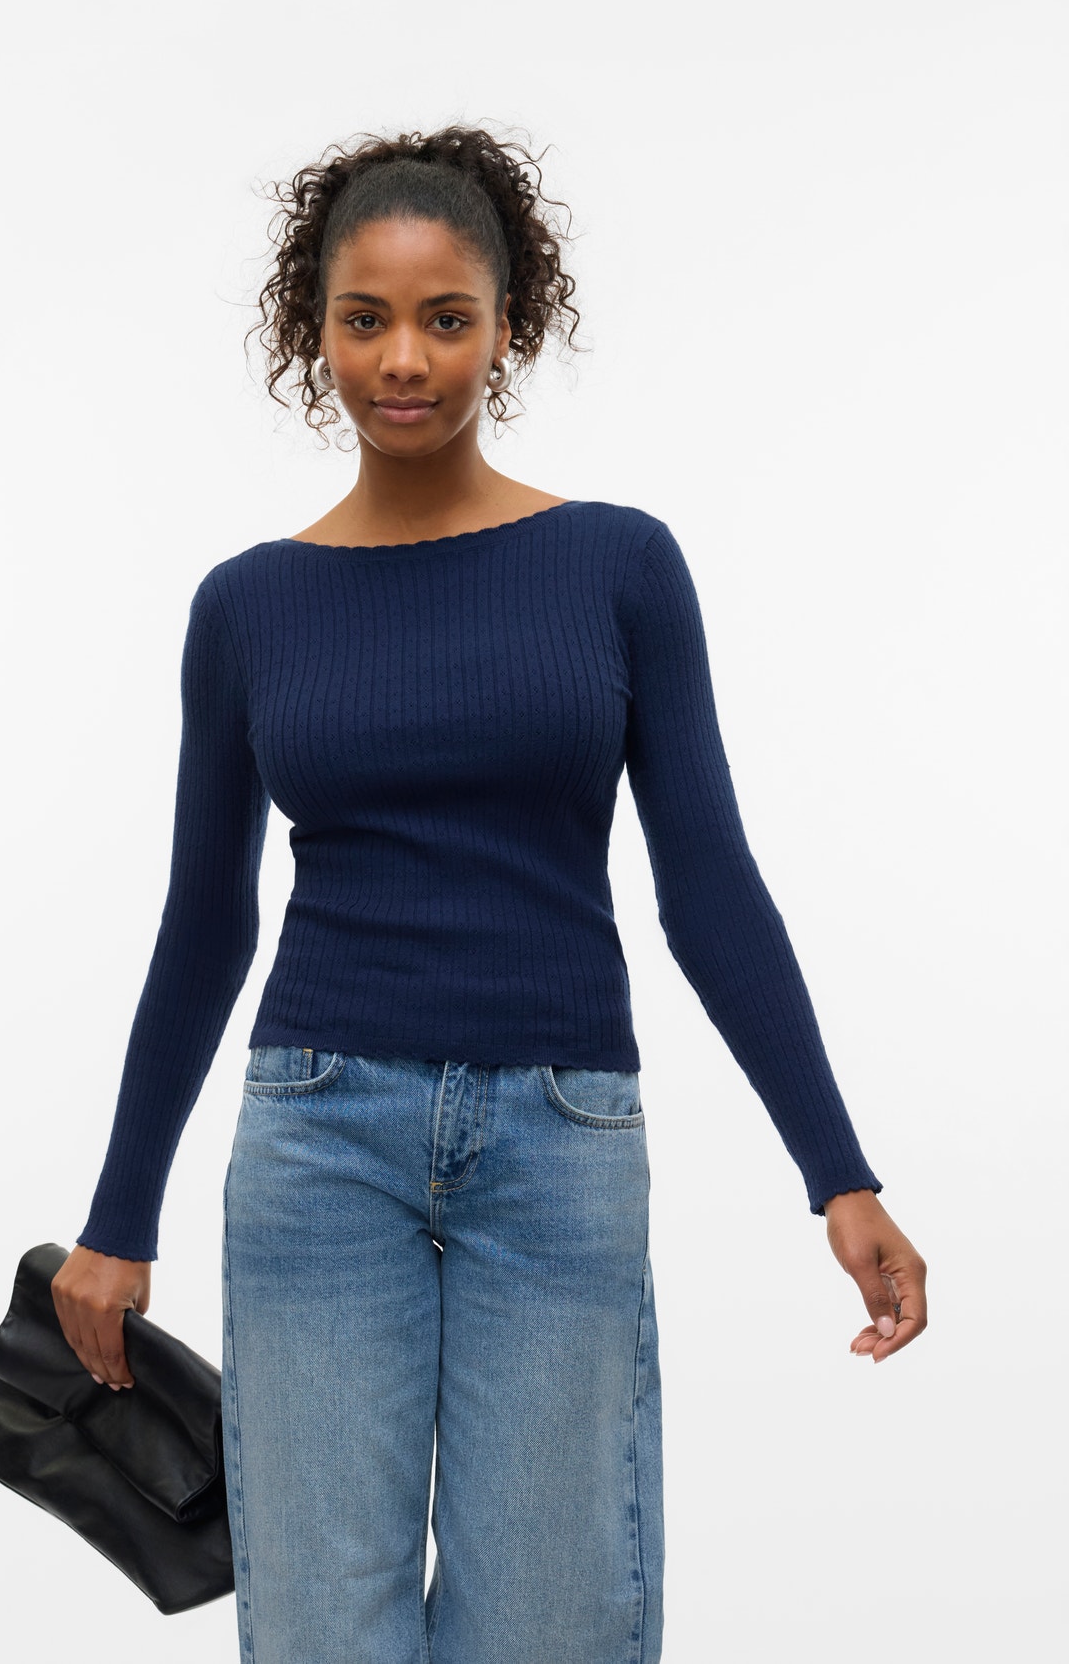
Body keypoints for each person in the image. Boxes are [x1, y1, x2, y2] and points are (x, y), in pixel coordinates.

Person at [51, 123, 928, 1663]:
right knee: (324, 1635)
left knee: (551, 1629)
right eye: (366, 319)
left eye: (446, 318)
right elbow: (205, 922)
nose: (406, 359)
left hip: (561, 1140)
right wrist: (118, 1216)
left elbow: (709, 885)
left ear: (507, 327)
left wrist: (837, 1172)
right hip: (318, 1138)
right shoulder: (250, 606)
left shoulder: (618, 567)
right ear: (312, 332)